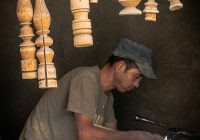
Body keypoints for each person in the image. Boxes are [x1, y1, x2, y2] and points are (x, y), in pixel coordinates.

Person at [19, 38, 163, 140]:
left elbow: (112, 136)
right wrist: (136, 136)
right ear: (120, 66)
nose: (136, 85)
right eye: (136, 77)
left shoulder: (108, 97)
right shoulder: (86, 78)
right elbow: (85, 135)